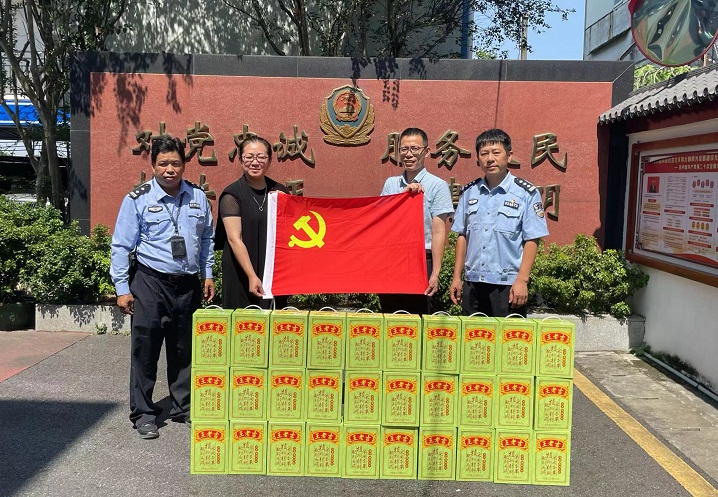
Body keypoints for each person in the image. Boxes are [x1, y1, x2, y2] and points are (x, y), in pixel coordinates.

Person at [110, 135, 215, 439]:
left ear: (184, 164)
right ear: (153, 165)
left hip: (188, 285)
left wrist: (208, 273)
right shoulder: (137, 199)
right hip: (150, 283)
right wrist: (122, 288)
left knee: (184, 350)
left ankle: (183, 406)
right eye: (163, 163)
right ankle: (143, 413)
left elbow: (207, 238)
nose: (170, 169)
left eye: (176, 163)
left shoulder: (198, 197)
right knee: (146, 350)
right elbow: (121, 246)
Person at [450, 128, 548, 317]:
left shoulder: (526, 193)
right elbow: (462, 235)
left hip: (507, 286)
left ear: (509, 156)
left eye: (496, 152)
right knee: (473, 335)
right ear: (477, 158)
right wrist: (456, 277)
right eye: (484, 153)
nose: (490, 159)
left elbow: (532, 239)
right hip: (473, 283)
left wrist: (522, 280)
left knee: (508, 336)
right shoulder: (469, 192)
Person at [379, 127, 454, 315]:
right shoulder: (391, 184)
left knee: (419, 318)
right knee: (391, 317)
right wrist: (402, 197)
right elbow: (383, 220)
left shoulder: (437, 185)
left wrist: (435, 273)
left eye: (414, 149)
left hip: (422, 260)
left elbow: (438, 231)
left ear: (426, 152)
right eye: (404, 149)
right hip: (392, 260)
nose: (409, 154)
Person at [215, 135, 289, 309]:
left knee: (274, 320)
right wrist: (251, 276)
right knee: (243, 322)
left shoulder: (279, 191)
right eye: (249, 157)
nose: (255, 162)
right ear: (241, 160)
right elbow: (234, 239)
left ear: (269, 161)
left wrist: (286, 204)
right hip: (241, 271)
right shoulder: (231, 195)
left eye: (261, 157)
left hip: (272, 270)